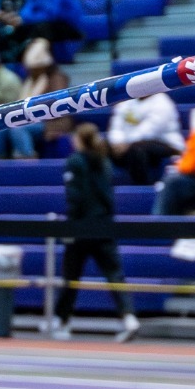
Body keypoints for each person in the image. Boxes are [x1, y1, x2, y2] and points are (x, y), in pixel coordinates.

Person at [52, 123, 140, 342]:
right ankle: (129, 317)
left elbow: (75, 197)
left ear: (80, 140)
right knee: (114, 275)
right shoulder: (104, 161)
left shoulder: (74, 162)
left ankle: (62, 322)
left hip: (81, 227)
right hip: (103, 225)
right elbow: (109, 197)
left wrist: (71, 226)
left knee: (71, 277)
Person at [0, 39, 68, 159]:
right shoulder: (29, 81)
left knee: (18, 129)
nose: (31, 71)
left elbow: (60, 106)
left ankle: (29, 161)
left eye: (35, 68)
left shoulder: (57, 79)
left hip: (50, 122)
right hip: (29, 120)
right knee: (0, 127)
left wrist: (52, 128)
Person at [107, 90, 184, 185]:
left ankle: (142, 188)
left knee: (136, 149)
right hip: (129, 145)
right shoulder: (126, 103)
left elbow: (151, 129)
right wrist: (117, 142)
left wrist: (126, 144)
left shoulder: (162, 102)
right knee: (101, 147)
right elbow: (116, 127)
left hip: (166, 144)